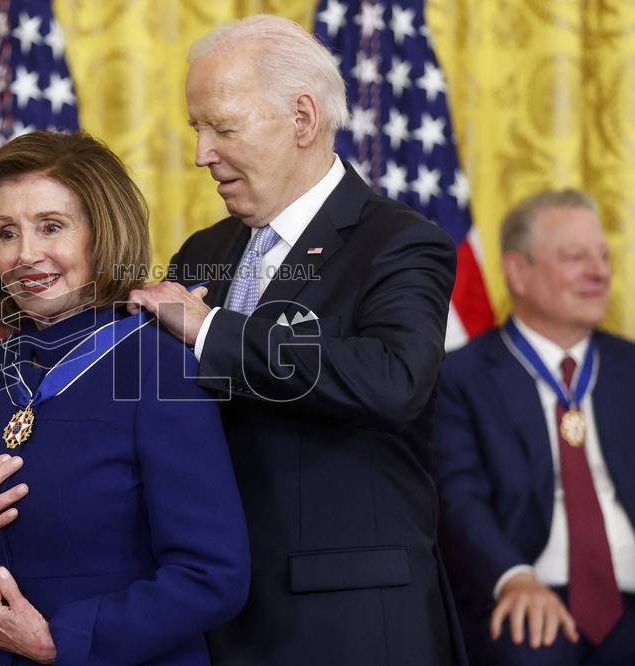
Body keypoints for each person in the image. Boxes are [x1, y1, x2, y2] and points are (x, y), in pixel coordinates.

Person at [128, 14, 467, 665]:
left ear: (303, 120)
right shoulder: (206, 250)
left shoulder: (397, 242)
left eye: (222, 128)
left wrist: (210, 330)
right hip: (218, 612)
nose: (202, 154)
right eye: (198, 129)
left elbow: (393, 379)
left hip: (349, 621)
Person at [0, 130, 250, 665]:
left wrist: (61, 641)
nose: (26, 255)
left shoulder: (160, 365)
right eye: (6, 233)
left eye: (51, 227)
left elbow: (213, 577)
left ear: (101, 234)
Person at [433, 189, 635, 665]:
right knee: (531, 649)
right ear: (518, 272)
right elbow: (457, 498)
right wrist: (513, 577)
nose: (600, 272)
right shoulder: (461, 377)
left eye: (604, 257)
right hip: (526, 589)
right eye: (575, 257)